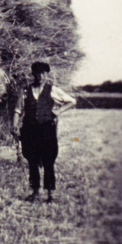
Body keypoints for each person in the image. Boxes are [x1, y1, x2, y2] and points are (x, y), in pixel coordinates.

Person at [12, 62, 76, 203]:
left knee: (48, 161)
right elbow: (17, 110)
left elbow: (72, 101)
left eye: (43, 73)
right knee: (32, 161)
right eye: (38, 73)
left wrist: (57, 111)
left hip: (47, 130)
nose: (41, 76)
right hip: (29, 130)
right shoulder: (25, 91)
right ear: (33, 74)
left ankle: (50, 194)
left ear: (47, 75)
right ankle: (35, 192)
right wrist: (15, 126)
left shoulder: (52, 90)